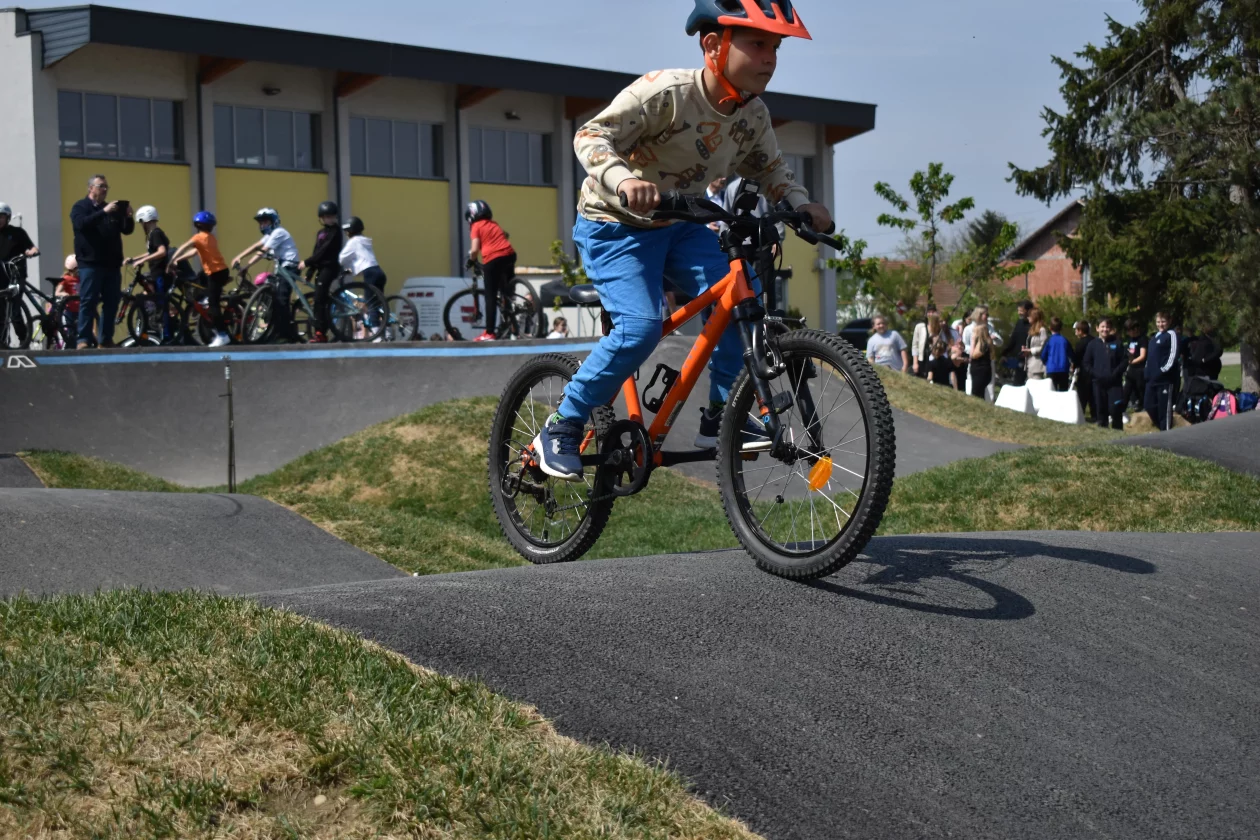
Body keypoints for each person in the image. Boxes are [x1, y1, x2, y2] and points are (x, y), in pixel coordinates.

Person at [530, 0, 833, 480]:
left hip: (681, 226)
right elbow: (591, 135)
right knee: (640, 327)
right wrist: (623, 179)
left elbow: (771, 169)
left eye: (775, 47)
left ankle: (720, 418)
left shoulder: (752, 114)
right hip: (615, 225)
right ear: (713, 45)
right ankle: (562, 425)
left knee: (741, 303)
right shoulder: (666, 93)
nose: (770, 58)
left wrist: (801, 202)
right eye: (758, 44)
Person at [70, 174, 135, 349]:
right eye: (101, 186)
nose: (104, 190)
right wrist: (103, 212)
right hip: (90, 263)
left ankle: (105, 339)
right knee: (88, 301)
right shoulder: (81, 207)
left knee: (112, 302)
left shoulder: (110, 209)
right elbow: (81, 224)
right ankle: (83, 339)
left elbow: (126, 230)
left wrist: (128, 216)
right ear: (90, 188)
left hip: (111, 264)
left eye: (106, 187)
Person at [233, 208, 302, 343]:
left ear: (274, 221)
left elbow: (262, 251)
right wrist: (239, 257)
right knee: (273, 298)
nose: (262, 225)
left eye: (265, 222)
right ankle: (276, 331)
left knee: (281, 300)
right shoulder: (269, 235)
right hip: (281, 269)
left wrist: (247, 266)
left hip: (290, 268)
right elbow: (256, 246)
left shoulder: (278, 232)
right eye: (261, 222)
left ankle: (287, 335)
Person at [167, 211, 232, 348]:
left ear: (197, 225)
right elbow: (195, 252)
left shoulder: (198, 237)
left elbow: (184, 247)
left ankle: (222, 335)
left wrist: (172, 260)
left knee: (214, 304)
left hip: (216, 273)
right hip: (220, 271)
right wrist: (179, 259)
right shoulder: (210, 237)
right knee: (199, 278)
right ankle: (204, 299)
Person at [123, 205, 186, 343]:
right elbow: (152, 252)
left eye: (141, 222)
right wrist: (135, 259)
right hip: (156, 273)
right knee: (158, 301)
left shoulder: (156, 233)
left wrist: (144, 260)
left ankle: (167, 335)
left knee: (162, 302)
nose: (141, 225)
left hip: (161, 274)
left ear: (145, 220)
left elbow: (162, 251)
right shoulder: (152, 235)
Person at [465, 200, 517, 342]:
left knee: (490, 297)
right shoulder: (493, 224)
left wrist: (471, 260)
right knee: (506, 291)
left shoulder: (476, 226)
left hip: (493, 259)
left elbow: (475, 250)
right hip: (510, 255)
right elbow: (504, 236)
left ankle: (489, 333)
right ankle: (513, 325)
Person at [298, 201, 344, 343]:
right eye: (326, 217)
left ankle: (320, 332)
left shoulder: (336, 232)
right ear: (321, 218)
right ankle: (322, 326)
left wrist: (306, 262)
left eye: (331, 216)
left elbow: (324, 252)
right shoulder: (321, 233)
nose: (329, 219)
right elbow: (316, 252)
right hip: (321, 268)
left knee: (319, 299)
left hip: (330, 268)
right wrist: (310, 272)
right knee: (321, 298)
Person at [0, 202, 40, 345]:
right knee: (1, 313)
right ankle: (3, 344)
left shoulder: (17, 233)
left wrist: (31, 252)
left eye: (1, 217)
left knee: (15, 313)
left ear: (8, 218)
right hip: (1, 278)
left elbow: (31, 247)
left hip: (16, 275)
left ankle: (24, 341)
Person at [1083, 317, 1128, 429]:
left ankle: (1118, 433)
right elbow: (1086, 363)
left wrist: (1115, 374)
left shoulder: (1117, 343)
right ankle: (1103, 433)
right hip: (1098, 383)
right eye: (1102, 327)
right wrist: (1096, 374)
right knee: (1101, 411)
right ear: (1097, 328)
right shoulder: (1092, 344)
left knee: (1115, 409)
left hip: (1115, 383)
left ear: (1111, 328)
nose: (1105, 329)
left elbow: (1124, 361)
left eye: (1107, 327)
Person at [1144, 311, 1179, 431]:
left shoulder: (1171, 335)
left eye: (1163, 321)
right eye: (1158, 322)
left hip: (1164, 380)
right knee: (1148, 405)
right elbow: (1150, 357)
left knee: (1164, 410)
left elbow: (1173, 355)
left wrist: (1163, 370)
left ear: (1169, 322)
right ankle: (1161, 428)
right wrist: (1147, 372)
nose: (1160, 324)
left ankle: (1166, 433)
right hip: (1151, 380)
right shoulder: (1154, 337)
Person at [339, 216, 386, 295]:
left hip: (370, 274)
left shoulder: (353, 242)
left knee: (370, 304)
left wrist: (349, 268)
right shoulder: (365, 241)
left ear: (349, 232)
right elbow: (363, 259)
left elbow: (342, 259)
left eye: (346, 231)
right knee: (377, 303)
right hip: (379, 272)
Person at [1001, 300, 1033, 385]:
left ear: (1028, 311)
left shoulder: (1034, 326)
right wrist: (1005, 353)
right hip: (1020, 358)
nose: (1019, 313)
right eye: (1018, 311)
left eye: (1021, 311)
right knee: (1018, 382)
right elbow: (1013, 339)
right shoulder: (1019, 323)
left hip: (1031, 358)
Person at [968, 306, 996, 399]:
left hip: (981, 367)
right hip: (979, 367)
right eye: (985, 314)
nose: (987, 316)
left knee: (977, 393)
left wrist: (973, 341)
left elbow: (973, 355)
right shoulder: (969, 329)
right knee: (979, 392)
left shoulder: (983, 344)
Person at [1122, 319, 1147, 411]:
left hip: (1140, 369)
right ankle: (1121, 410)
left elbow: (1142, 356)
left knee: (1141, 389)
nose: (1129, 333)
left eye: (1131, 330)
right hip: (1131, 369)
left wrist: (1132, 361)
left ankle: (1143, 406)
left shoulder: (1142, 339)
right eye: (1127, 331)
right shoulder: (1130, 340)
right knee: (1126, 390)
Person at [1042, 316, 1072, 391]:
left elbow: (1043, 355)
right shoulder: (1065, 340)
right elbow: (1071, 354)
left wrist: (1046, 362)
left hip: (1051, 368)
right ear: (1061, 328)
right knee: (1063, 391)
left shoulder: (1049, 340)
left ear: (1050, 328)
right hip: (1063, 369)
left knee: (1052, 391)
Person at [911, 304, 941, 378]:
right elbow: (915, 345)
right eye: (929, 312)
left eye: (933, 312)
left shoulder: (939, 328)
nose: (931, 314)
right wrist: (915, 363)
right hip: (922, 358)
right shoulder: (920, 327)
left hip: (934, 359)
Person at [1073, 320, 1094, 420]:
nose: (1075, 332)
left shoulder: (1080, 344)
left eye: (1076, 330)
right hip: (1094, 371)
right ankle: (1095, 415)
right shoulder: (1095, 341)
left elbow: (1076, 358)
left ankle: (1080, 414)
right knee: (1093, 396)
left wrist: (1073, 367)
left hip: (1084, 373)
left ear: (1080, 331)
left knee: (1082, 396)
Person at [1022, 306, 1047, 380]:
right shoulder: (1031, 330)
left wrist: (1030, 350)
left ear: (1034, 317)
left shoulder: (1042, 330)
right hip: (1029, 364)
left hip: (1037, 365)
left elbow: (1044, 347)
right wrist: (1026, 350)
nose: (1028, 318)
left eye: (1029, 316)